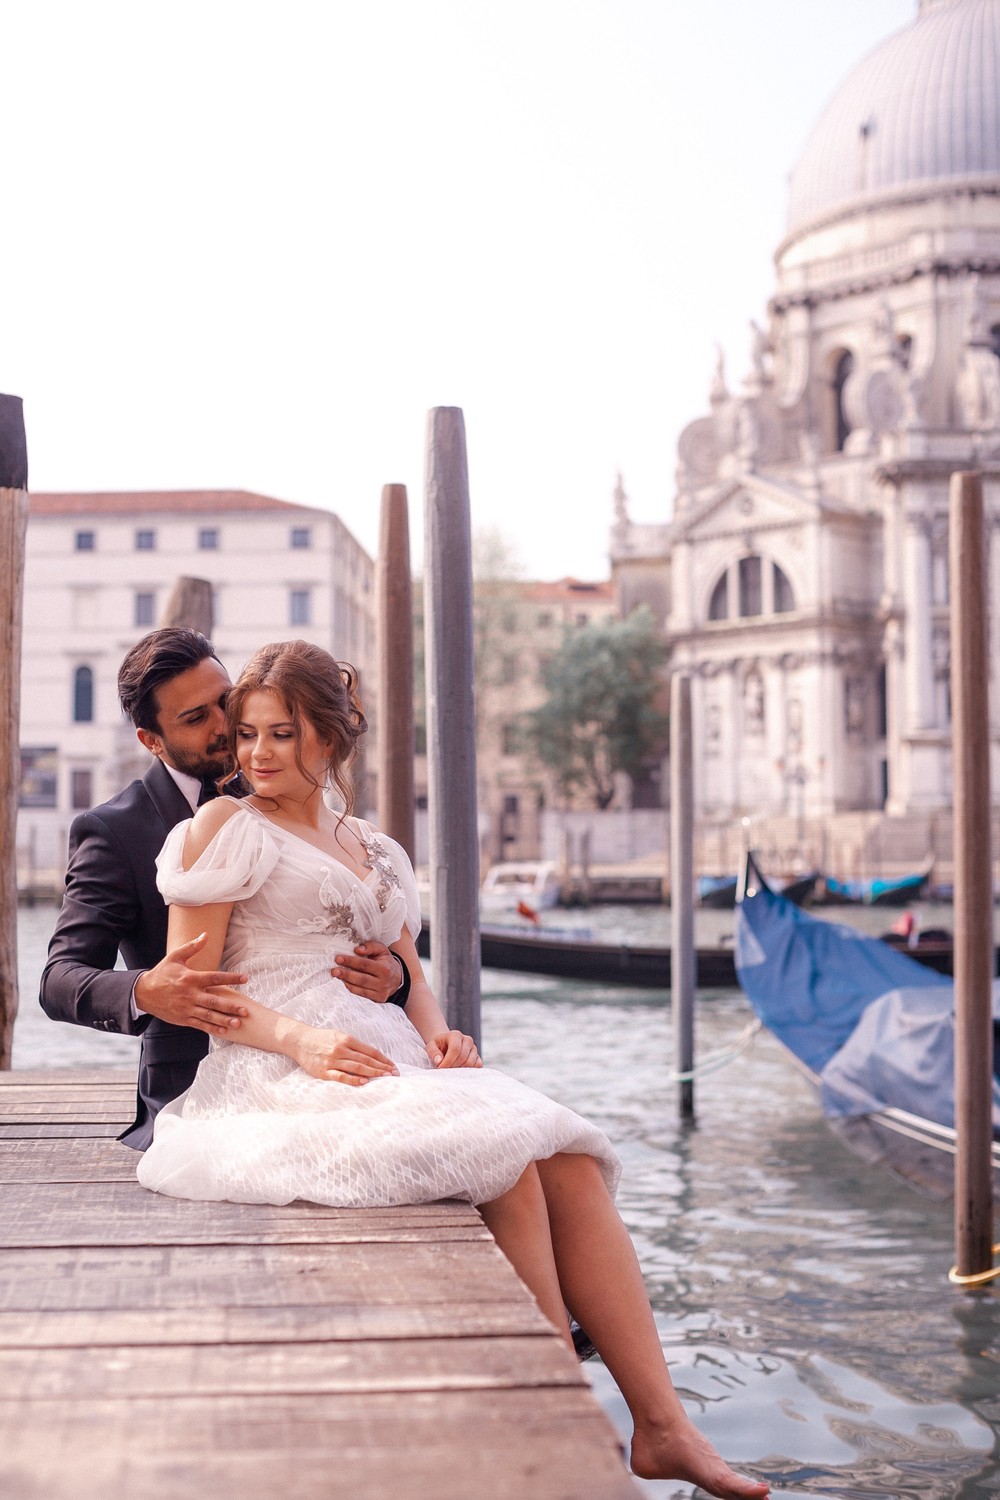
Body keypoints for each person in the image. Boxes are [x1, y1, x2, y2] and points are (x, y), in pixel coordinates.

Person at [136, 639, 769, 1497]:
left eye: (280, 734)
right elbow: (197, 992)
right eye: (247, 735)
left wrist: (440, 1032)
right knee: (502, 1163)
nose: (255, 755)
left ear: (329, 737)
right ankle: (562, 1405)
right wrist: (304, 1043)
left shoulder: (376, 847)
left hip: (385, 1053)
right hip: (276, 1067)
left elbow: (411, 977)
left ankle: (663, 1426)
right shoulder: (223, 828)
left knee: (570, 1157)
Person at [39, 627, 409, 1149]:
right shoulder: (114, 831)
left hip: (341, 1054)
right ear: (151, 741)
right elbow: (58, 980)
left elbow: (347, 926)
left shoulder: (287, 780)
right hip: (196, 1083)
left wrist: (393, 975)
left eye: (224, 701)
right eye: (196, 718)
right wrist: (147, 990)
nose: (225, 725)